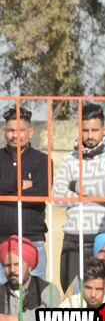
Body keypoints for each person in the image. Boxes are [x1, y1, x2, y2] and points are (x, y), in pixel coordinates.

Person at [52, 102, 105, 292]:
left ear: (104, 129)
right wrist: (97, 192)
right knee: (73, 296)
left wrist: (75, 186)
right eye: (85, 130)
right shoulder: (68, 159)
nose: (89, 135)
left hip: (104, 240)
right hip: (73, 238)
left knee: (103, 296)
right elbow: (58, 196)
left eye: (94, 130)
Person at [1, 105, 50, 279]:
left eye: (20, 130)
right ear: (4, 132)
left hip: (32, 240)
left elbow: (40, 194)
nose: (15, 135)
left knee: (35, 293)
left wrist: (3, 193)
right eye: (11, 130)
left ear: (30, 132)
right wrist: (20, 184)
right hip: (1, 241)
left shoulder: (42, 160)